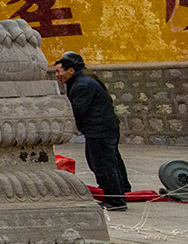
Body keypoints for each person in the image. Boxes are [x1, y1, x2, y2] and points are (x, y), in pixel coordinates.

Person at [52, 52, 130, 210]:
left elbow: (77, 109)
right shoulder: (84, 81)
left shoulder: (82, 85)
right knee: (110, 162)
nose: (57, 75)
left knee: (103, 164)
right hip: (103, 128)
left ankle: (115, 201)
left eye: (59, 71)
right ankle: (120, 191)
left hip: (99, 130)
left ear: (71, 70)